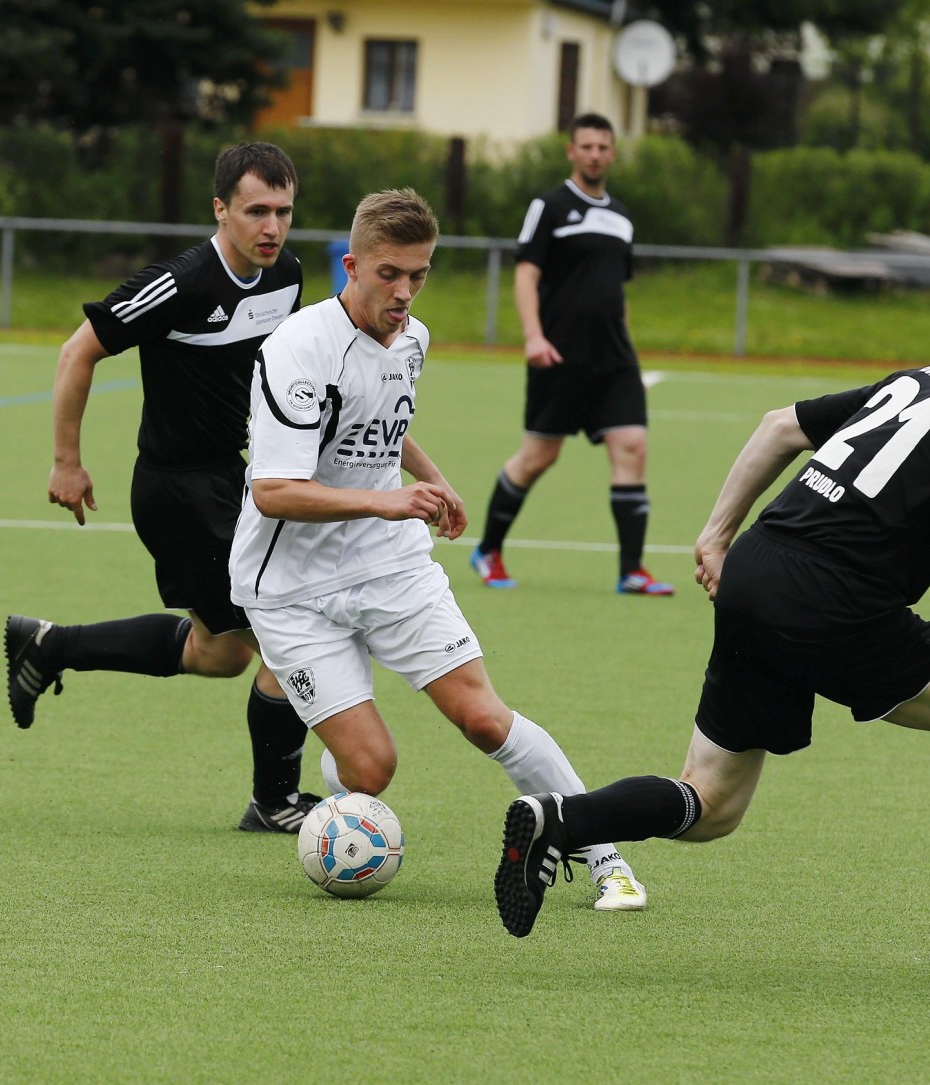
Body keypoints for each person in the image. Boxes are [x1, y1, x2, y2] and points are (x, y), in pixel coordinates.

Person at [494, 274, 930, 988]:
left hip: (757, 570)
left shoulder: (927, 378)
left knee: (711, 803)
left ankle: (559, 818)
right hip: (833, 600)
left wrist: (717, 533)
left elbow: (779, 426)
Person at [231, 187, 646, 913]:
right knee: (369, 767)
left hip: (389, 563)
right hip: (289, 586)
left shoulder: (412, 338)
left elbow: (382, 418)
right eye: (389, 274)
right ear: (351, 265)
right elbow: (274, 490)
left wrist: (430, 476)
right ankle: (343, 793)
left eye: (418, 275)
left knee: (484, 715)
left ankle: (604, 853)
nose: (404, 292)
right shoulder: (298, 347)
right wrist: (391, 498)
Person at [4, 142, 320, 834]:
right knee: (290, 632)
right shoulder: (179, 282)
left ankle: (50, 646)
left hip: (236, 480)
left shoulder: (287, 276)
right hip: (178, 493)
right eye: (256, 210)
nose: (271, 226)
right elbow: (76, 351)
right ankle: (274, 803)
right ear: (221, 209)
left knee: (221, 653)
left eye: (283, 211)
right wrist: (66, 460)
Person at [469, 113, 672, 596]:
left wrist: (627, 345)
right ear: (571, 151)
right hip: (558, 356)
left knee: (633, 448)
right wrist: (533, 337)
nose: (595, 154)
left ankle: (632, 571)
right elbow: (526, 275)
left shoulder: (622, 217)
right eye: (587, 146)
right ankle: (489, 550)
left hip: (614, 360)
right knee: (538, 457)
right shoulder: (550, 206)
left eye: (604, 146)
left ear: (613, 153)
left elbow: (615, 293)